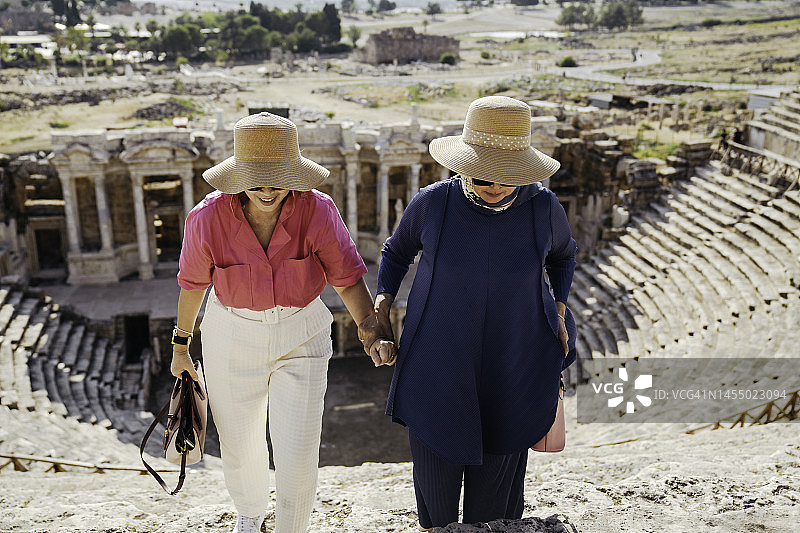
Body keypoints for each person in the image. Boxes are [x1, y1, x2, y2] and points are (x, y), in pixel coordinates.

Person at [170, 112, 393, 533]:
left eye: (278, 179)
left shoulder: (318, 209)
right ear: (238, 177)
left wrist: (370, 328)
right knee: (240, 444)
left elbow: (346, 276)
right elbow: (192, 286)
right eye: (257, 180)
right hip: (231, 333)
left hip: (301, 333)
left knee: (298, 447)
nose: (268, 190)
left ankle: (293, 527)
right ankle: (250, 515)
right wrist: (181, 348)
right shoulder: (207, 217)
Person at [367, 96, 578, 530]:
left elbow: (563, 257)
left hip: (513, 360)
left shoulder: (543, 208)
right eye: (483, 176)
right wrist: (382, 307)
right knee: (436, 503)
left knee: (494, 508)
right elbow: (396, 251)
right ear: (463, 165)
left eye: (508, 176)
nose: (496, 185)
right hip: (437, 361)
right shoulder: (433, 203)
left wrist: (558, 307)